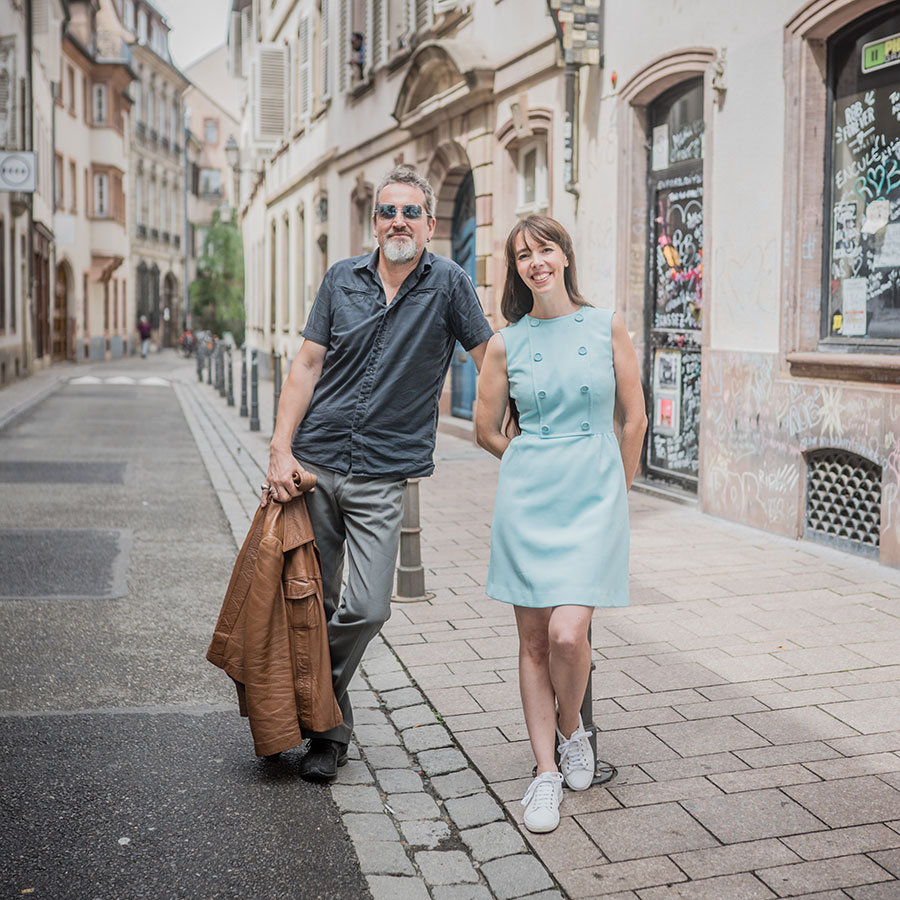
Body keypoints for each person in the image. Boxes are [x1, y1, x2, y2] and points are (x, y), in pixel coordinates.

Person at [261, 165, 494, 781]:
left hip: (382, 473)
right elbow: (307, 365)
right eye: (388, 212)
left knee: (366, 608)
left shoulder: (449, 285)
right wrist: (281, 449)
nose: (399, 222)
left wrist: (518, 430)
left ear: (430, 224)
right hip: (315, 463)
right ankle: (327, 738)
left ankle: (296, 699)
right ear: (374, 222)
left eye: (410, 213)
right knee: (314, 599)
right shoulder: (341, 278)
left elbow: (489, 359)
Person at [475, 215, 647, 834]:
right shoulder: (506, 342)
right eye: (523, 255)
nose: (536, 262)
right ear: (516, 269)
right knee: (533, 642)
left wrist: (614, 491)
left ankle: (573, 729)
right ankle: (545, 771)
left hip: (595, 500)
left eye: (545, 249)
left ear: (565, 256)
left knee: (570, 634)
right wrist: (528, 460)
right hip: (529, 503)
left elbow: (635, 420)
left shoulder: (607, 325)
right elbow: (486, 430)